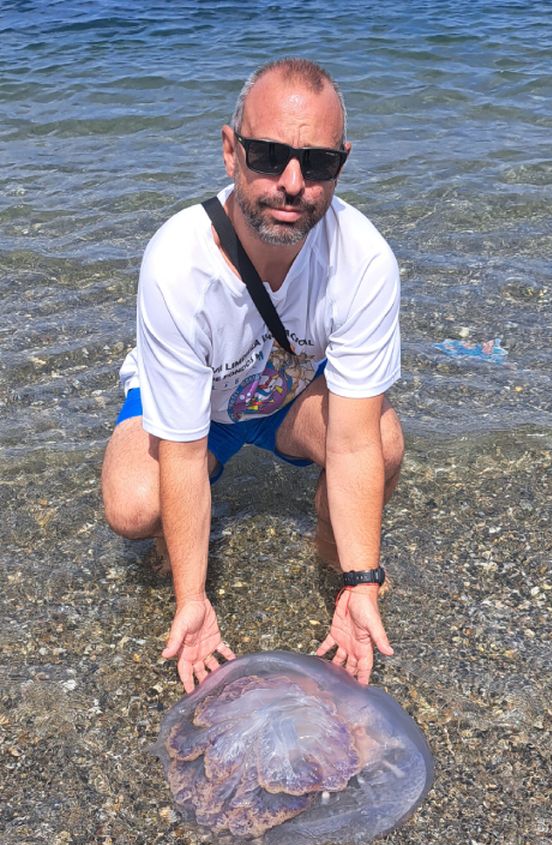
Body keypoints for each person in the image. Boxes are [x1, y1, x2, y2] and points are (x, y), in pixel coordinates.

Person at [100, 58, 404, 692]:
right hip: (198, 415)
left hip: (286, 399)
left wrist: (361, 579)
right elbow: (180, 454)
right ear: (231, 151)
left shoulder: (366, 258)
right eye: (269, 155)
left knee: (384, 443)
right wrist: (194, 597)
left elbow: (350, 442)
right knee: (134, 506)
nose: (292, 184)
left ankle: (331, 562)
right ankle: (178, 556)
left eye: (316, 163)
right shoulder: (178, 264)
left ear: (340, 166)